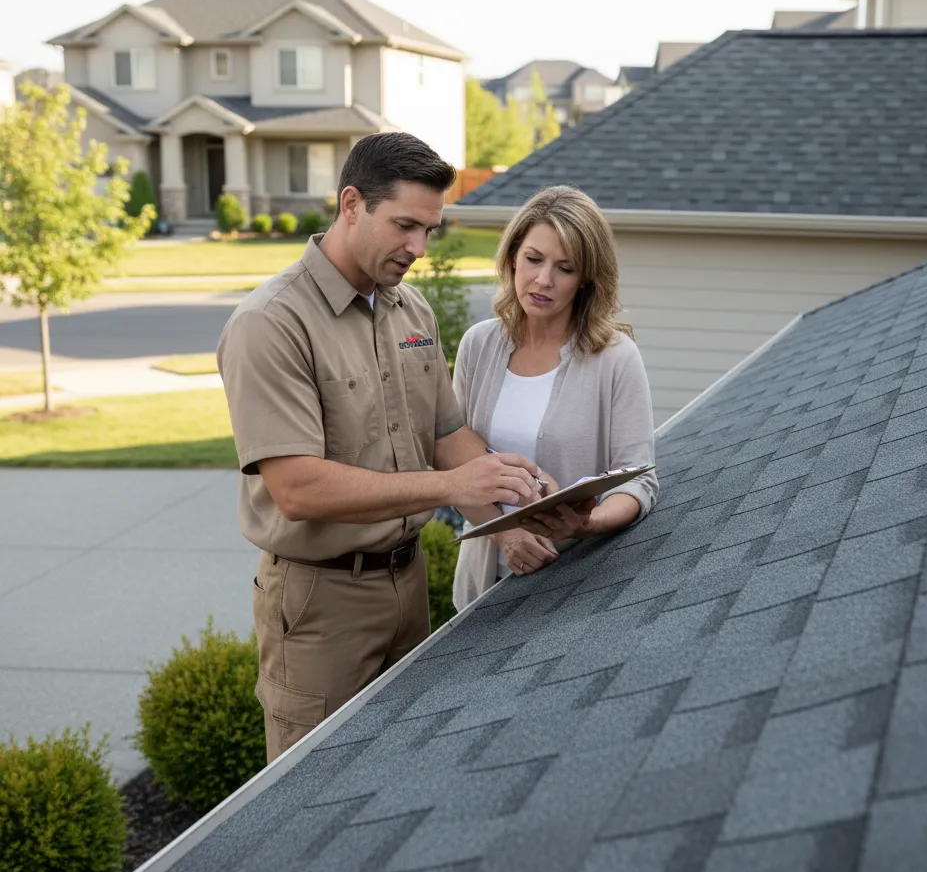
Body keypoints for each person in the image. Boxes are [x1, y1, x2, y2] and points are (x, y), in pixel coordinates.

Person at [217, 132, 547, 762]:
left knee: (399, 771)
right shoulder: (270, 325)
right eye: (404, 226)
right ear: (350, 205)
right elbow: (297, 488)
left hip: (409, 579)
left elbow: (447, 436)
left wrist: (509, 511)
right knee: (310, 795)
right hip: (320, 604)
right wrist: (453, 489)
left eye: (430, 230)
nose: (418, 249)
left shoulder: (411, 310)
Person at [452, 185, 659, 610]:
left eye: (564, 268)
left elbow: (639, 480)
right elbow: (453, 464)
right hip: (481, 591)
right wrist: (506, 535)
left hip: (572, 594)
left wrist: (586, 525)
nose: (543, 279)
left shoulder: (616, 359)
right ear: (512, 257)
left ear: (586, 279)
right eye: (533, 259)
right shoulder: (479, 345)